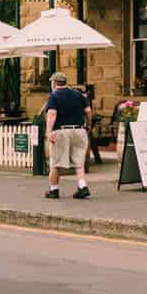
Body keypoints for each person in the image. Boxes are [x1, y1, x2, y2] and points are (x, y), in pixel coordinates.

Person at [43, 72, 92, 200]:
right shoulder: (78, 94)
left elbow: (52, 113)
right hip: (79, 131)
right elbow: (88, 110)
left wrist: (48, 131)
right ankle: (82, 186)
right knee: (79, 161)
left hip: (62, 131)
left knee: (56, 162)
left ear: (53, 83)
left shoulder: (53, 96)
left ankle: (54, 189)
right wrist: (88, 125)